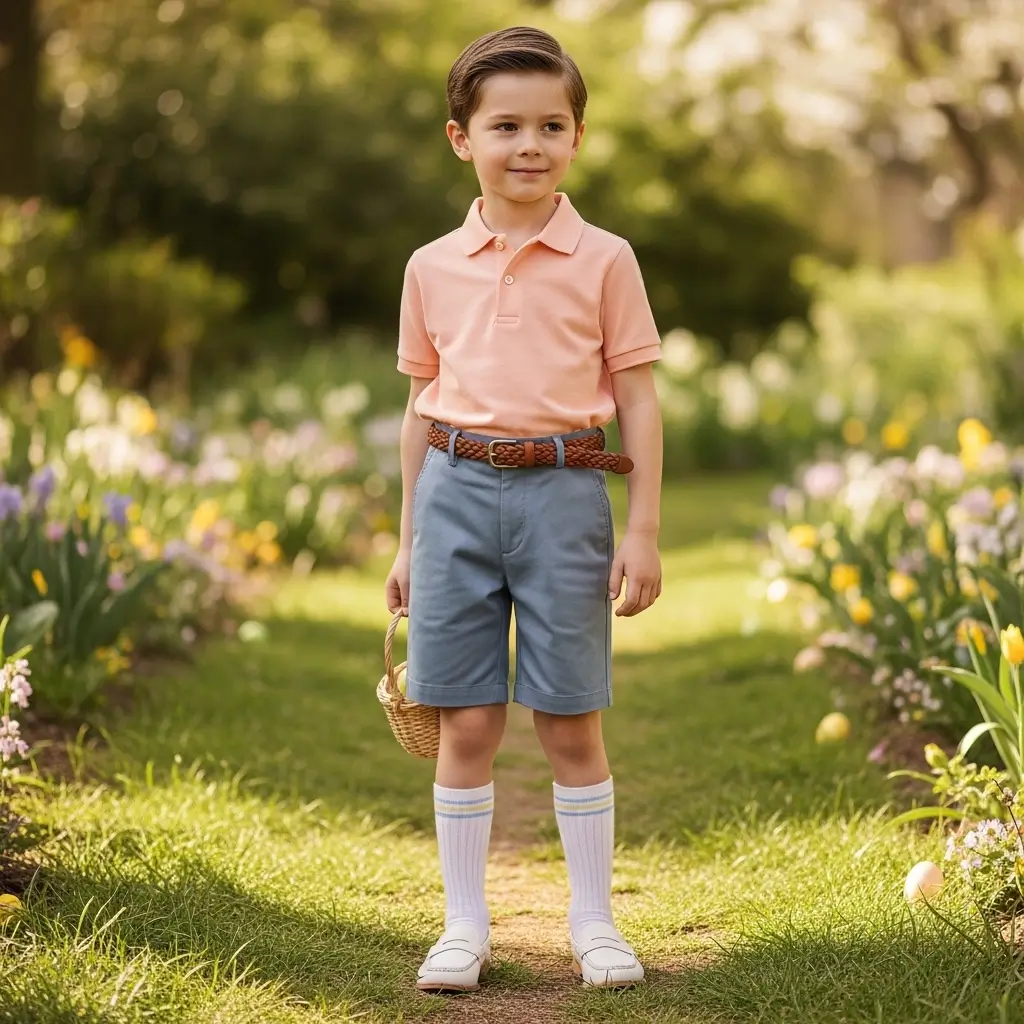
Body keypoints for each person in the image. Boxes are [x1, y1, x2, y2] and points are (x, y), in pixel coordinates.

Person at [384, 24, 664, 994]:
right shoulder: (431, 266)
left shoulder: (605, 258)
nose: (530, 144)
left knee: (569, 721)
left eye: (552, 124)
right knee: (464, 721)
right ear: (461, 136)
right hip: (455, 497)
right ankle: (463, 926)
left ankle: (594, 922)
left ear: (577, 137)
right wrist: (407, 536)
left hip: (564, 495)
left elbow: (637, 396)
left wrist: (642, 528)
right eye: (506, 125)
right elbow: (419, 409)